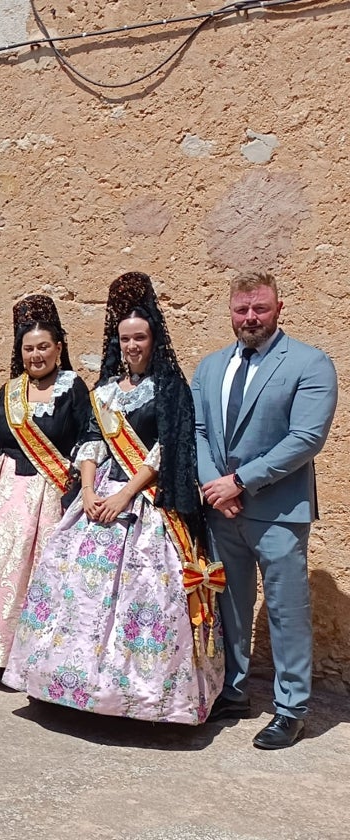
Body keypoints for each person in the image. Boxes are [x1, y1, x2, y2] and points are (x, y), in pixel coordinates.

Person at [3, 272, 224, 725]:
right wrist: (86, 491)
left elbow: (169, 447)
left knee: (146, 596)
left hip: (146, 501)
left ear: (153, 337)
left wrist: (125, 495)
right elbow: (91, 442)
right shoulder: (105, 391)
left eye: (139, 337)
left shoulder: (169, 390)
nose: (132, 346)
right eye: (125, 338)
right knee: (74, 582)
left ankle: (144, 697)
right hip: (100, 495)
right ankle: (74, 684)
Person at [193, 271, 337, 749]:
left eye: (260, 308)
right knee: (229, 606)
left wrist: (239, 482)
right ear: (230, 311)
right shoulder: (211, 367)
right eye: (241, 309)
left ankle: (292, 708)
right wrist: (217, 487)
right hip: (223, 511)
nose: (250, 318)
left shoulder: (310, 363)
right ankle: (232, 691)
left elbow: (306, 438)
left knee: (286, 610)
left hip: (278, 510)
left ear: (278, 309)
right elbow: (197, 431)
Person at [0, 295, 90, 668]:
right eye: (29, 348)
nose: (36, 355)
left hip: (48, 497)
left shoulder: (73, 388)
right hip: (4, 496)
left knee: (39, 576)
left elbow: (87, 444)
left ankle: (34, 659)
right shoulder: (9, 391)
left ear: (59, 348)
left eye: (43, 347)